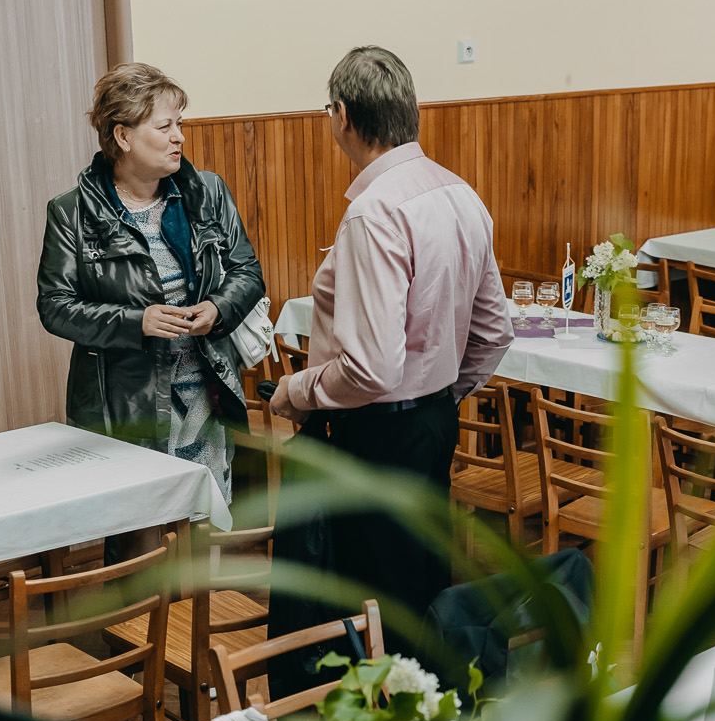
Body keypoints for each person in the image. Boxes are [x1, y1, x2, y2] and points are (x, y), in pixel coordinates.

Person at [270, 45, 512, 645]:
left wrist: (298, 390)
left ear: (342, 116)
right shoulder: (461, 193)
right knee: (423, 586)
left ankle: (387, 702)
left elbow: (372, 369)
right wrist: (438, 396)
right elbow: (494, 333)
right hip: (432, 423)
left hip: (377, 432)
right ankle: (432, 699)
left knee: (375, 601)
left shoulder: (374, 213)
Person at [37, 61, 262, 506]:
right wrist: (136, 321)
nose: (179, 137)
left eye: (179, 123)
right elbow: (55, 306)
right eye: (164, 126)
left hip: (206, 388)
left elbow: (247, 272)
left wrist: (218, 307)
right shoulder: (72, 213)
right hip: (127, 405)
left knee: (207, 515)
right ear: (123, 136)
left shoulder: (207, 192)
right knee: (141, 524)